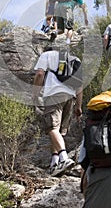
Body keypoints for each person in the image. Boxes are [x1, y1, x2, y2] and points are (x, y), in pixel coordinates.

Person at [32, 43, 83, 176]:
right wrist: (78, 107)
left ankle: (64, 158)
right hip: (70, 97)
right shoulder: (75, 60)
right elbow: (80, 86)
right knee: (59, 131)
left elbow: (39, 74)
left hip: (54, 94)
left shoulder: (46, 55)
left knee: (52, 128)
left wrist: (35, 95)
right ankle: (55, 163)